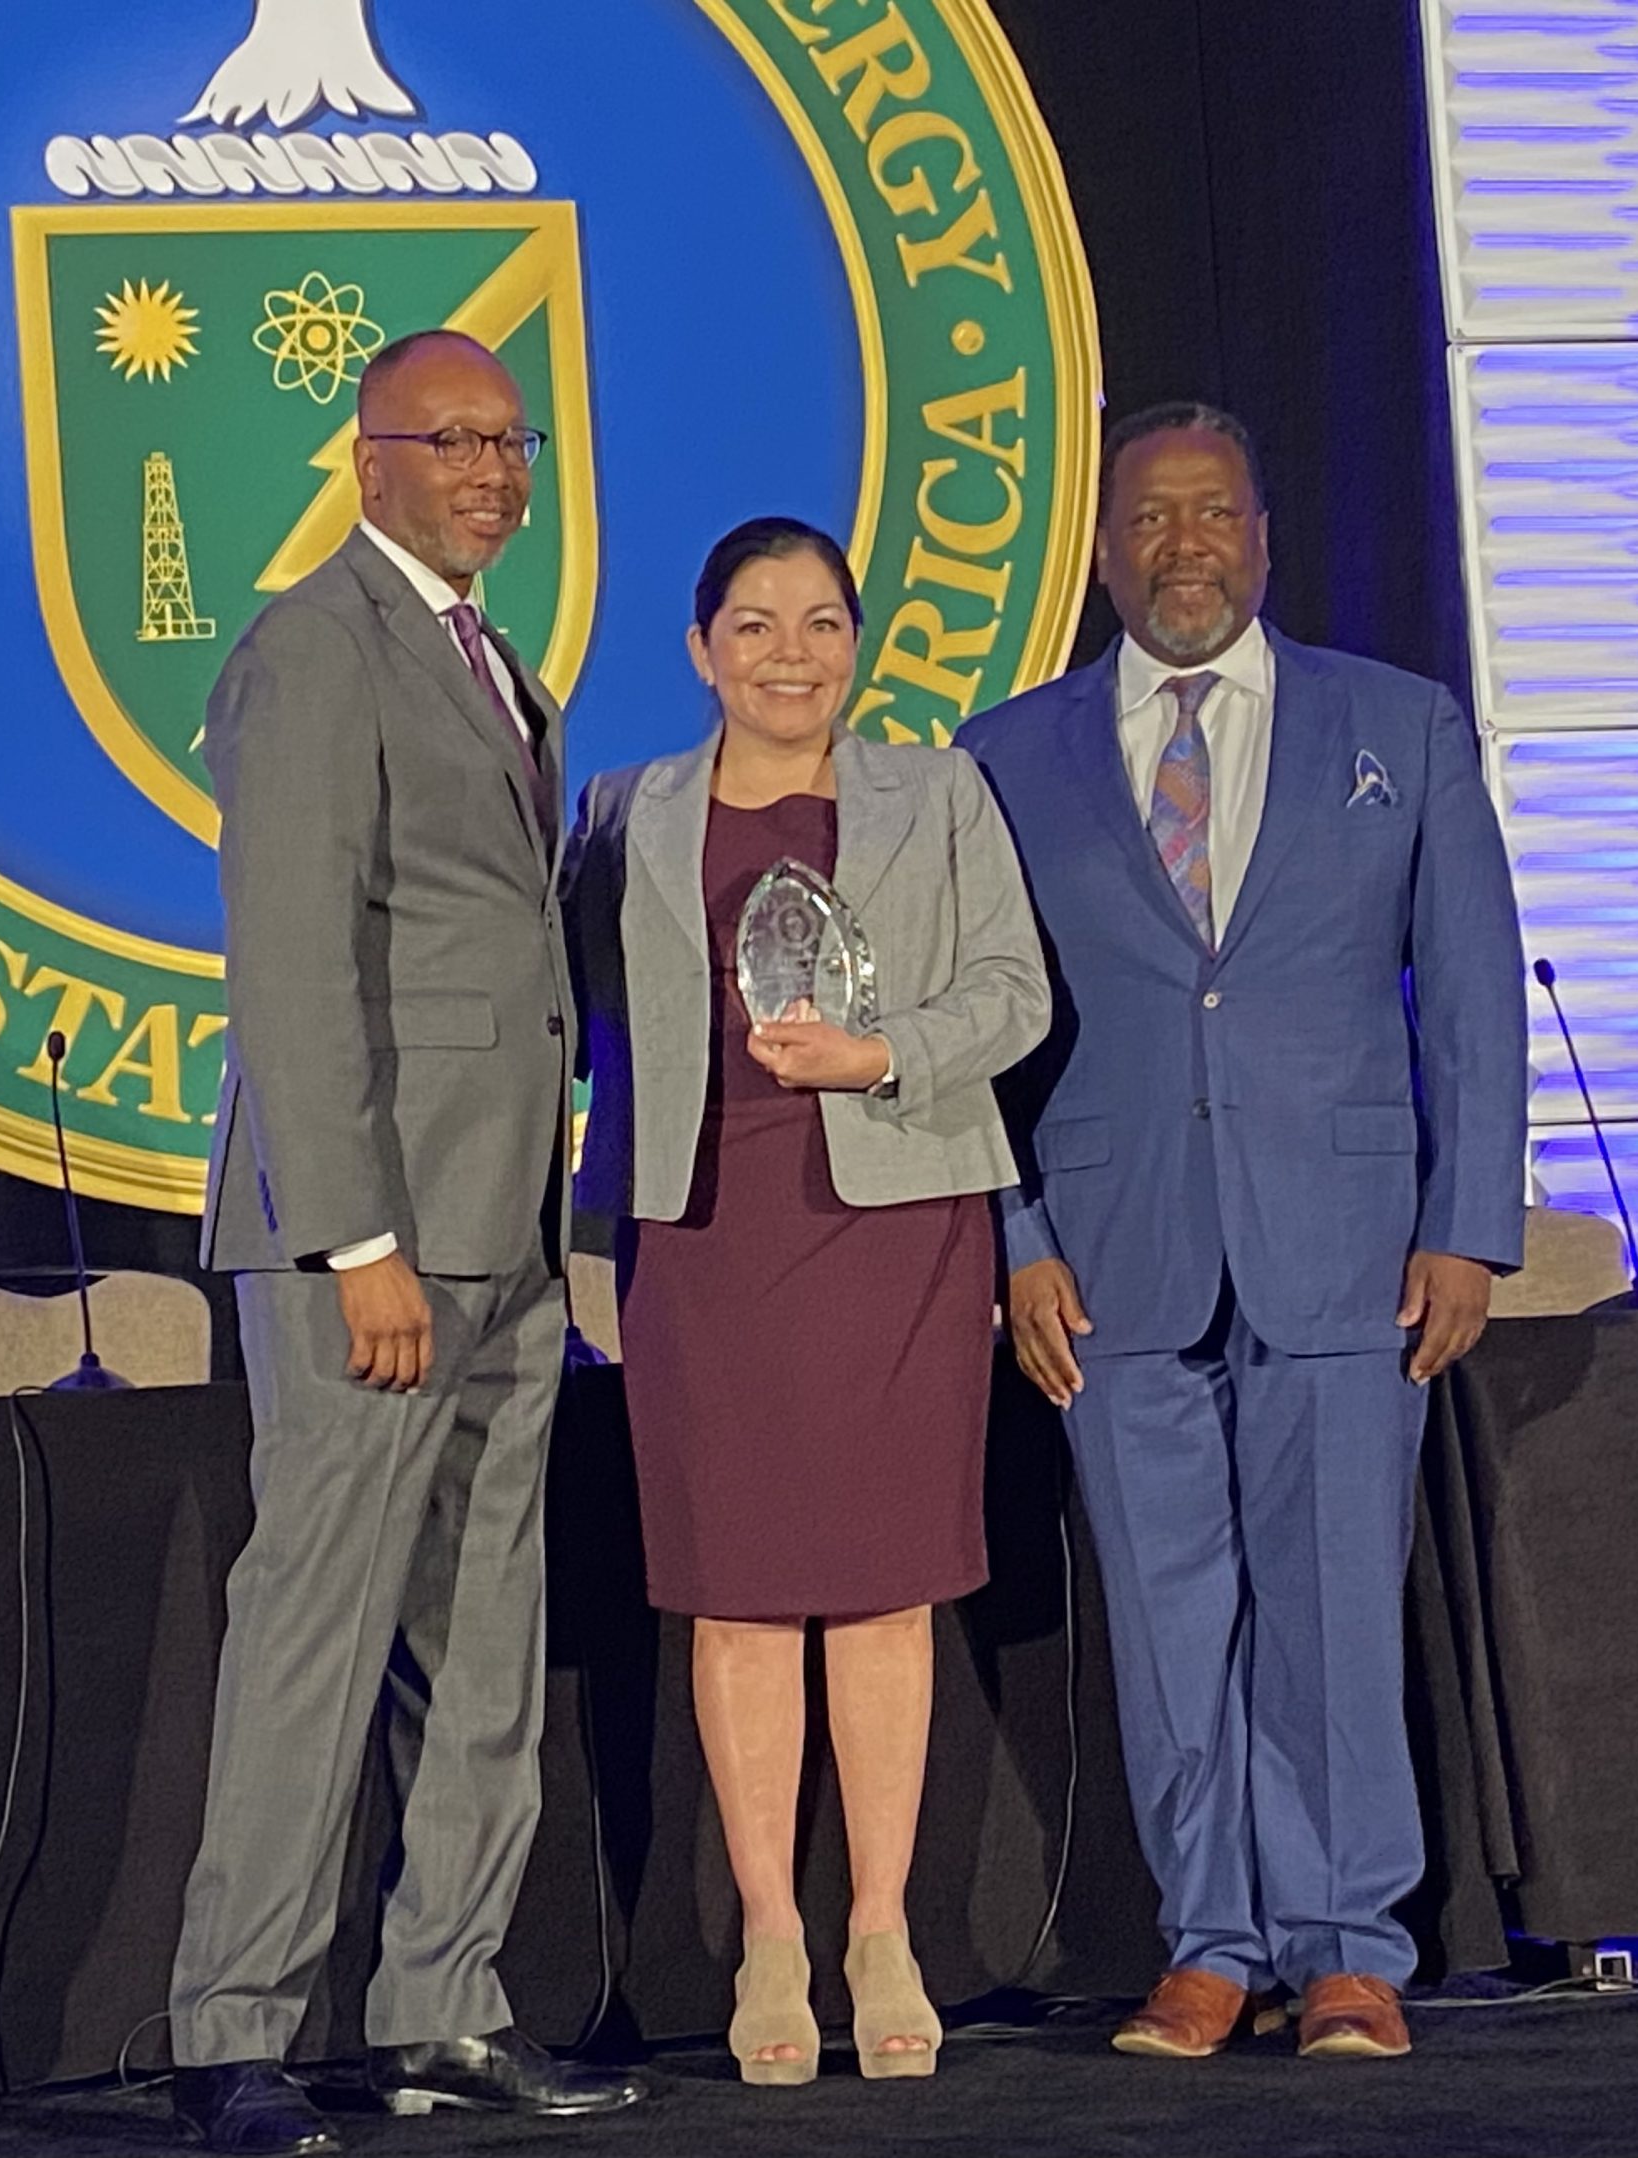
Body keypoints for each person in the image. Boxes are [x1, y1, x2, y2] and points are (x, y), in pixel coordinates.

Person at [959, 404, 1527, 2064]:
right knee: (1168, 1617)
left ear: (1265, 538)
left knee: (1338, 1606)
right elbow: (980, 1020)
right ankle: (1210, 1943)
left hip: (1350, 1244)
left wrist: (1468, 1224)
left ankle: (1350, 1946)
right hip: (1109, 1253)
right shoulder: (1007, 756)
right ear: (1104, 551)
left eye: (1213, 515)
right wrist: (1012, 1231)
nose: (1182, 546)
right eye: (1150, 519)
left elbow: (1474, 991)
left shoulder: (1399, 727)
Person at [171, 329, 642, 2156]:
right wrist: (357, 1236)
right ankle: (233, 2028)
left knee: (486, 1633)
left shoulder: (492, 661)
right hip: (368, 1236)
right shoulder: (312, 647)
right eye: (452, 440)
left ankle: (442, 2001)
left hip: (504, 1227)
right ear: (363, 459)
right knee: (318, 1623)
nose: (491, 470)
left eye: (512, 441)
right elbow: (294, 964)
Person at [562, 517, 1049, 2088]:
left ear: (860, 640)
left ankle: (883, 1925)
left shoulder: (940, 787)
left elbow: (1017, 989)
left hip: (895, 1214)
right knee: (741, 1590)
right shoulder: (624, 810)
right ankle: (774, 1928)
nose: (792, 653)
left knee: (888, 1588)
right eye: (755, 625)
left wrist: (879, 1049)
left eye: (822, 622)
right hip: (703, 1228)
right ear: (701, 650)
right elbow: (577, 1019)